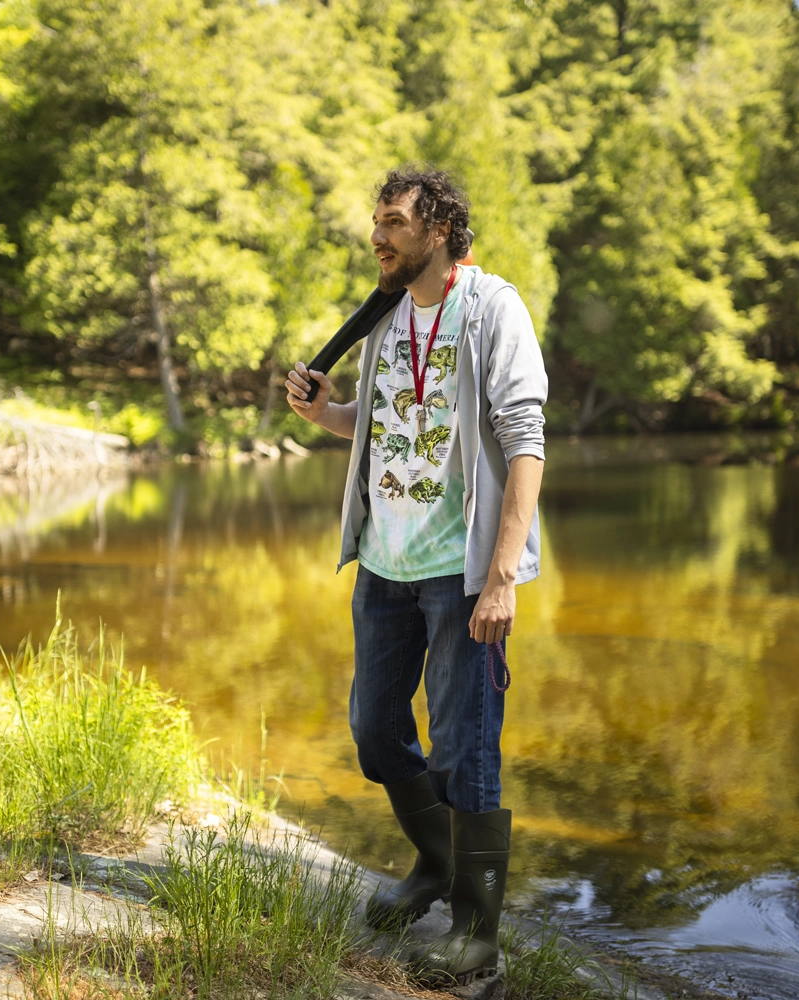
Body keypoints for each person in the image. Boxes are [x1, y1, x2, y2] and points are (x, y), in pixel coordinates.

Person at [284, 167, 546, 984]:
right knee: (372, 730)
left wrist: (503, 575)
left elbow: (525, 439)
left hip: (460, 572)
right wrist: (324, 412)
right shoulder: (389, 313)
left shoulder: (491, 308)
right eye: (376, 221)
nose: (378, 235)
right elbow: (394, 417)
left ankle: (479, 931)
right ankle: (438, 863)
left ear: (438, 230)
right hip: (385, 565)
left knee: (466, 750)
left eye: (393, 221)